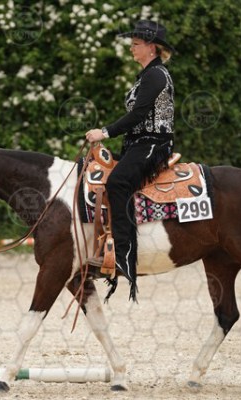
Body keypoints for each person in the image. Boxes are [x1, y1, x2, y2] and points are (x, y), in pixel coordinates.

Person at [85, 20, 175, 301]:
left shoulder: (156, 75)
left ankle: (123, 255)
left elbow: (138, 115)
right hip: (138, 144)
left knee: (118, 183)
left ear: (151, 47)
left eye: (136, 44)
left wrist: (104, 132)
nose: (131, 48)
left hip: (153, 144)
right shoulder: (147, 74)